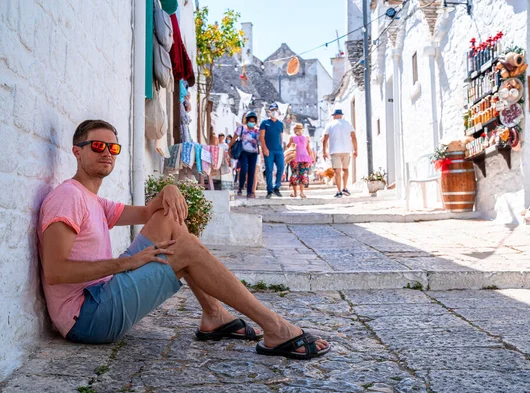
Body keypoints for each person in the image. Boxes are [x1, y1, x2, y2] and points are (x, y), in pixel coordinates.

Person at [38, 119, 330, 360]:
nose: (107, 153)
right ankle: (274, 326)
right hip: (87, 318)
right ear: (77, 152)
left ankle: (214, 314)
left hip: (101, 297)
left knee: (169, 220)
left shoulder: (91, 199)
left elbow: (153, 212)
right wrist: (126, 263)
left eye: (113, 147)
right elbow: (56, 272)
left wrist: (169, 188)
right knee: (186, 248)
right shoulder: (68, 198)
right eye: (98, 146)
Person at [323, 109, 358, 198]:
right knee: (345, 169)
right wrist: (355, 150)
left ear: (334, 115)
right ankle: (345, 188)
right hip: (346, 150)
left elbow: (325, 139)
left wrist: (324, 151)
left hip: (335, 151)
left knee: (337, 171)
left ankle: (339, 191)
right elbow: (353, 137)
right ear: (341, 115)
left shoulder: (330, 124)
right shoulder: (348, 124)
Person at [230, 112, 260, 198]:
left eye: (253, 121)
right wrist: (229, 148)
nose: (252, 122)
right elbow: (234, 138)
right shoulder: (241, 128)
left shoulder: (257, 131)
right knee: (244, 168)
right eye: (250, 121)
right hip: (243, 152)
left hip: (254, 153)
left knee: (251, 172)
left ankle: (249, 191)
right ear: (247, 121)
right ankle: (240, 186)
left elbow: (261, 140)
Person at [259, 103, 285, 199]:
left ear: (278, 111)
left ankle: (276, 187)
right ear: (269, 112)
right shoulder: (265, 123)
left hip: (278, 150)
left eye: (275, 110)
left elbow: (281, 137)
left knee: (281, 168)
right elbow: (261, 137)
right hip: (269, 150)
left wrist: (281, 148)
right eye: (272, 110)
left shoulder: (280, 124)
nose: (274, 112)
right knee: (269, 170)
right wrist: (264, 148)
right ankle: (269, 190)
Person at [286, 123, 314, 199]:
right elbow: (308, 149)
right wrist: (311, 159)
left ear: (295, 129)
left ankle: (295, 193)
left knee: (295, 174)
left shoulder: (292, 137)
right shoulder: (306, 137)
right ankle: (301, 193)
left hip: (295, 158)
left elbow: (288, 147)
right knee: (303, 175)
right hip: (305, 158)